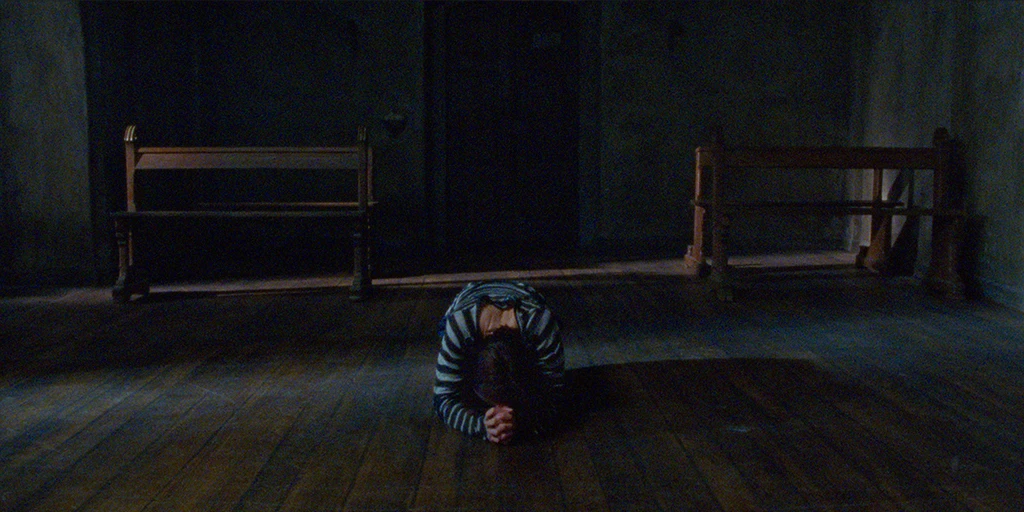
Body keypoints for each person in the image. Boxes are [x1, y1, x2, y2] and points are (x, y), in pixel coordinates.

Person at [432, 280, 565, 444]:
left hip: (523, 294)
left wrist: (522, 422)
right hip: (471, 296)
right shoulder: (460, 324)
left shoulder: (540, 322)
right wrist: (482, 426)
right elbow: (441, 399)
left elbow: (556, 393)